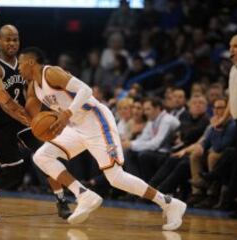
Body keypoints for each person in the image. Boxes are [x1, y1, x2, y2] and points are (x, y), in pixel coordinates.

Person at [18, 47, 186, 230]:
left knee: (116, 178)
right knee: (42, 156)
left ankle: (169, 203)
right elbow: (31, 116)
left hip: (96, 120)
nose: (18, 68)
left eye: (20, 64)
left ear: (30, 62)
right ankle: (83, 194)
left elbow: (86, 89)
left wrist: (67, 113)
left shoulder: (51, 73)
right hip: (75, 127)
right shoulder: (33, 87)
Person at [0, 24, 71, 219]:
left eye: (15, 39)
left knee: (45, 155)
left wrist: (42, 117)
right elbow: (6, 103)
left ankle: (61, 200)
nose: (12, 43)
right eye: (8, 39)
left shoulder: (24, 66)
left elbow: (33, 95)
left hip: (23, 121)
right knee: (14, 171)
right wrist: (29, 121)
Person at [215, 34, 237, 219]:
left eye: (236, 46)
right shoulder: (234, 69)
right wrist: (223, 119)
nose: (231, 50)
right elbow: (232, 99)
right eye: (230, 46)